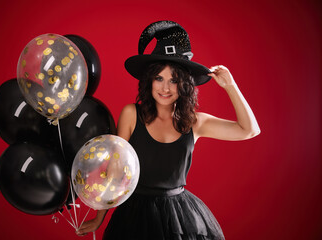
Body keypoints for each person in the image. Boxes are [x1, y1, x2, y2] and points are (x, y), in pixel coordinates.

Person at [76, 20, 260, 240]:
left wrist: (231, 87)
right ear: (149, 81)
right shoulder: (131, 114)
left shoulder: (195, 122)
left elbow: (249, 130)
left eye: (174, 80)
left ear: (184, 85)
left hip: (180, 217)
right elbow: (115, 173)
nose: (165, 88)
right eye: (159, 78)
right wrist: (99, 218)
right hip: (135, 216)